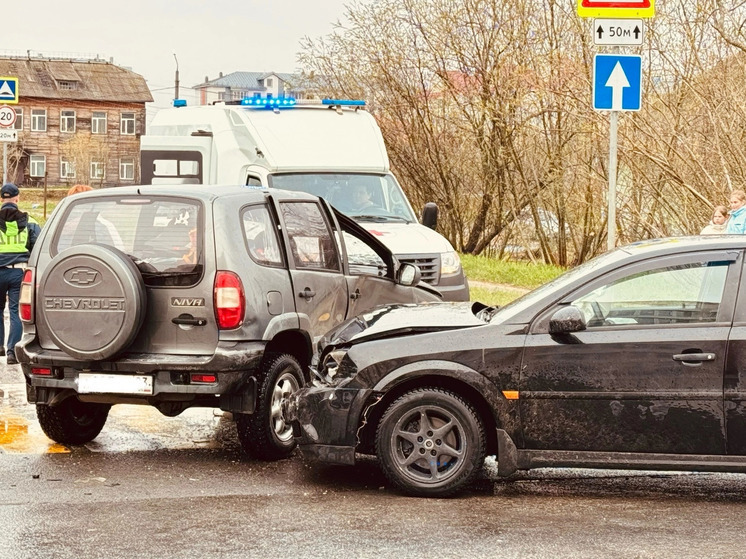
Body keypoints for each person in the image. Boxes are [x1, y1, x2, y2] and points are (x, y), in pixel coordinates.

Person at [0, 183, 41, 365]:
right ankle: (12, 352)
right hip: (19, 272)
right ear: (17, 199)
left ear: (1, 199)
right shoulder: (30, 221)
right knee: (15, 311)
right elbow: (37, 247)